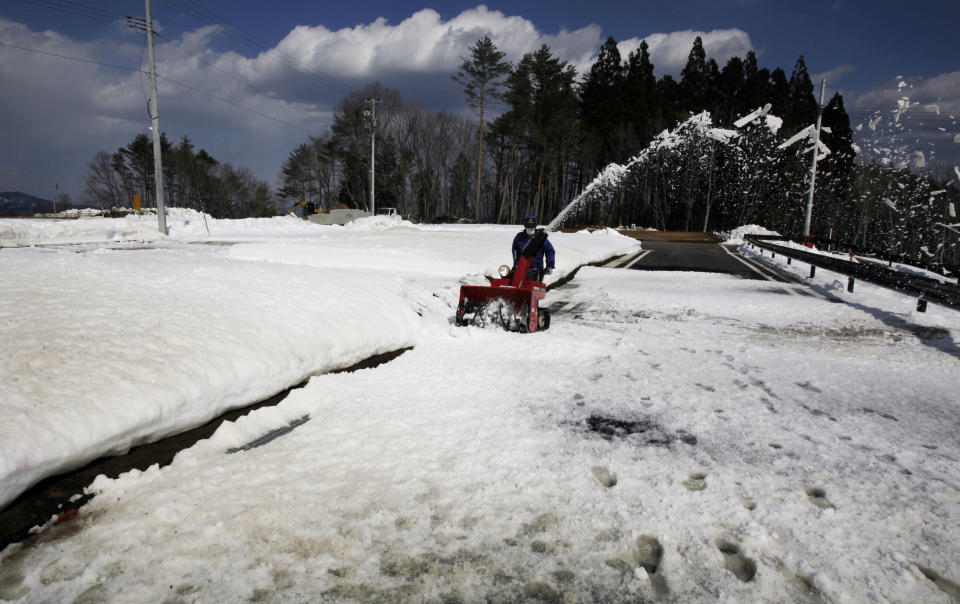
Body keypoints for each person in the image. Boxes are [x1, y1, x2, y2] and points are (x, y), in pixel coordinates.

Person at [512, 215, 555, 282]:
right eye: (528, 227)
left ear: (535, 227)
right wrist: (515, 265)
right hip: (521, 269)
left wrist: (550, 266)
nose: (530, 229)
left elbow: (550, 251)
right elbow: (515, 251)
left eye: (532, 227)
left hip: (536, 271)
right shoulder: (519, 237)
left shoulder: (540, 238)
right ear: (525, 227)